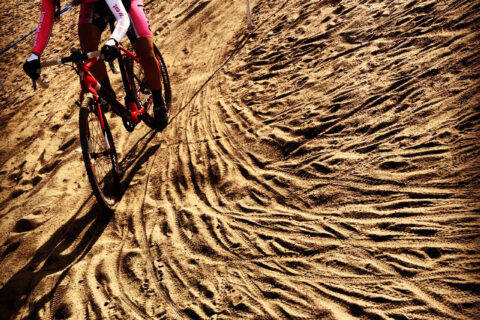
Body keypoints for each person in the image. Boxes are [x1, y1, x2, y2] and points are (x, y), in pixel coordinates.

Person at [23, 0, 168, 124]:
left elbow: (123, 18)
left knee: (146, 54)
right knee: (87, 49)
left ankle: (159, 101)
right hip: (93, 4)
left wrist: (113, 40)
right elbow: (45, 19)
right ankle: (107, 93)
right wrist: (35, 54)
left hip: (125, 3)